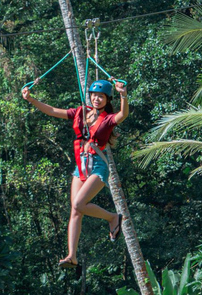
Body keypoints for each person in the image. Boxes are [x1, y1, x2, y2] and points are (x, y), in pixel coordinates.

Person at [22, 78, 129, 268]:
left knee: (80, 203)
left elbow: (123, 114)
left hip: (97, 166)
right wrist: (31, 99)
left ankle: (113, 217)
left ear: (107, 100)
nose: (97, 99)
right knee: (75, 210)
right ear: (90, 97)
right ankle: (72, 256)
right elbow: (53, 111)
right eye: (94, 96)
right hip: (81, 165)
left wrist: (123, 95)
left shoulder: (108, 119)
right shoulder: (81, 112)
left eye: (101, 97)